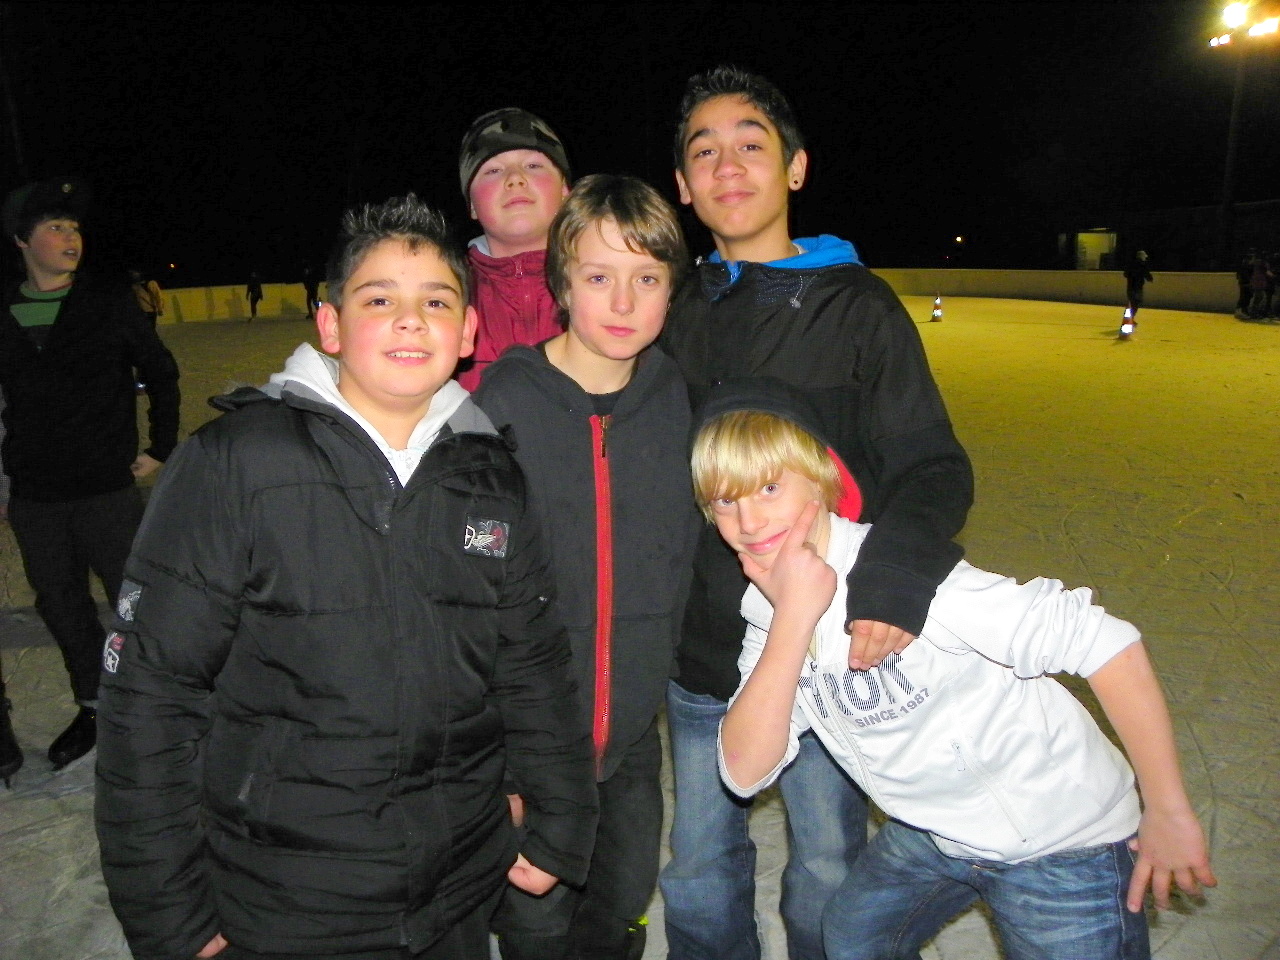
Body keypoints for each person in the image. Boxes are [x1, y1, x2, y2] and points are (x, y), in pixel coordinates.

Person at [95, 195, 598, 960]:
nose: (410, 320)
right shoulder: (239, 462)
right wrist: (169, 914)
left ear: (468, 331)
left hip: (458, 885)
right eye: (379, 300)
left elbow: (532, 664)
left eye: (436, 301)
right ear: (330, 325)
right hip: (291, 900)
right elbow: (151, 695)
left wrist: (562, 817)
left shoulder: (490, 474)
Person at [696, 378, 1217, 960]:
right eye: (724, 501)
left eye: (769, 487)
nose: (748, 521)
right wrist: (793, 617)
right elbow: (744, 771)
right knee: (853, 938)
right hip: (938, 830)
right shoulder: (766, 607)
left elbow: (1106, 643)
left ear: (821, 478)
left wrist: (1168, 810)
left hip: (1060, 841)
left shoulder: (905, 577)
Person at [657, 66, 974, 960]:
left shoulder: (855, 307)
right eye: (704, 152)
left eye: (751, 145)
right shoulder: (669, 309)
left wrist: (892, 581)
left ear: (795, 167)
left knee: (830, 858)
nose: (727, 167)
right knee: (697, 862)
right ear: (682, 186)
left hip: (826, 649)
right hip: (704, 648)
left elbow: (932, 467)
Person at [474, 175, 700, 960]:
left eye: (648, 279)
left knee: (621, 906)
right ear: (562, 283)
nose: (623, 302)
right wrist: (494, 761)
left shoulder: (674, 401)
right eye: (599, 277)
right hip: (528, 746)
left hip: (632, 738)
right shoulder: (503, 403)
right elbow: (464, 589)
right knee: (535, 924)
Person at [0, 177, 180, 782]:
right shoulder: (4, 310)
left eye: (74, 227)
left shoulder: (106, 302)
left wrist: (159, 446)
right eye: (55, 227)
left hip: (107, 491)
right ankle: (93, 706)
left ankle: (156, 708)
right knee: (63, 607)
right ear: (22, 240)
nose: (71, 237)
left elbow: (161, 372)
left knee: (136, 603)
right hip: (37, 495)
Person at [455, 107, 571, 391]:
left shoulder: (609, 283)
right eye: (493, 170)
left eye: (533, 166)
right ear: (472, 204)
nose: (515, 179)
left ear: (565, 190)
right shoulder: (445, 295)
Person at [1120, 249, 1152, 338]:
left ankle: (1131, 319)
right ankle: (1131, 319)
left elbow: (1125, 274)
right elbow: (1147, 275)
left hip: (1130, 287)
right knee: (1136, 303)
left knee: (1132, 303)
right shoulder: (1142, 265)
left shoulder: (1131, 264)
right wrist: (1149, 278)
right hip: (1138, 287)